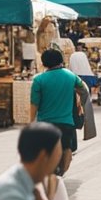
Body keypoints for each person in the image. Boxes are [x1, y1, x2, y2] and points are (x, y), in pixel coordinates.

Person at [30, 48, 85, 176]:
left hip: (45, 123)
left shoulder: (39, 80)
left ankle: (49, 173)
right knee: (67, 149)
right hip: (66, 122)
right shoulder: (71, 76)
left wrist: (31, 123)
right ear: (61, 60)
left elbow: (34, 104)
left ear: (44, 63)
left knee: (45, 150)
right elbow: (82, 89)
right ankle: (61, 175)